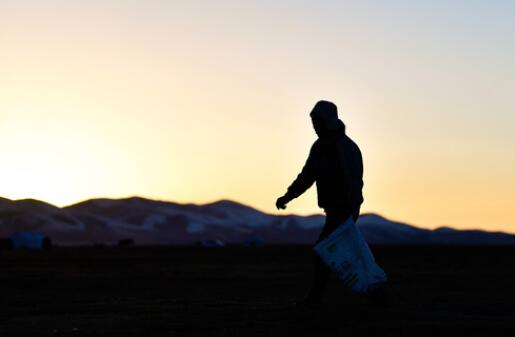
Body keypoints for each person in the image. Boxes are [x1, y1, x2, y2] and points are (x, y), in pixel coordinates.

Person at [276, 100, 364, 305]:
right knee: (337, 252)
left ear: (327, 121)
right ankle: (375, 292)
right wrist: (288, 196)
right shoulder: (321, 147)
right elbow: (308, 176)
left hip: (344, 209)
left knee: (324, 251)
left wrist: (351, 209)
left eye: (318, 122)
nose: (315, 127)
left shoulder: (344, 147)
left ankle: (316, 298)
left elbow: (353, 180)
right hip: (334, 210)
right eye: (313, 123)